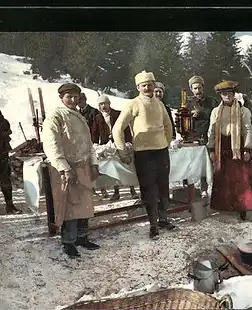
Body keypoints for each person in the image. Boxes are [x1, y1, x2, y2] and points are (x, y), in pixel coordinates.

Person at [112, 71, 175, 240]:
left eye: (150, 84)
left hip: (161, 152)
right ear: (138, 87)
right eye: (144, 85)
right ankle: (153, 224)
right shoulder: (133, 104)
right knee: (149, 190)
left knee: (163, 187)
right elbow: (118, 128)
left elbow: (168, 126)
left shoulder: (160, 104)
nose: (147, 88)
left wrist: (165, 142)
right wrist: (122, 150)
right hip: (143, 154)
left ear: (154, 85)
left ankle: (163, 219)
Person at [42, 83, 101, 258]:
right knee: (69, 207)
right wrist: (64, 168)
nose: (73, 100)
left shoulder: (80, 117)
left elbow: (89, 143)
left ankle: (82, 238)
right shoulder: (55, 116)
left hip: (83, 166)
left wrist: (94, 163)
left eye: (76, 97)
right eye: (69, 97)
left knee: (85, 204)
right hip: (67, 169)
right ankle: (68, 242)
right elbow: (52, 145)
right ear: (62, 98)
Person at [207, 81, 252, 221]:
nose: (227, 96)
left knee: (240, 179)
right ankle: (225, 206)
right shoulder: (216, 112)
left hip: (238, 146)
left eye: (230, 93)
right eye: (224, 94)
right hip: (222, 146)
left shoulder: (243, 111)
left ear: (234, 94)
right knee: (224, 178)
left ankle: (242, 208)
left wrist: (247, 148)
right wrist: (212, 149)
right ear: (220, 96)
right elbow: (212, 132)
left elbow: (248, 130)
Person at [90, 94, 139, 201]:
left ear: (109, 104)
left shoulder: (118, 114)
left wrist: (128, 141)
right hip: (107, 146)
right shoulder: (98, 118)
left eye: (105, 103)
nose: (104, 106)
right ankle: (116, 192)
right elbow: (94, 132)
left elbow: (125, 128)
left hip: (120, 143)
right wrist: (94, 144)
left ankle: (132, 189)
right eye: (101, 104)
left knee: (126, 165)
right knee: (114, 168)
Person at [0, 88, 22, 215]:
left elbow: (6, 127)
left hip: (0, 152)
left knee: (5, 180)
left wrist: (2, 133)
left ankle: (10, 206)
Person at [187, 75, 219, 198]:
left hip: (210, 135)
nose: (197, 91)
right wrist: (191, 116)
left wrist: (202, 112)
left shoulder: (211, 101)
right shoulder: (189, 103)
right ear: (191, 89)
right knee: (197, 163)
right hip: (194, 136)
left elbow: (216, 116)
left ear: (203, 87)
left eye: (199, 88)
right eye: (195, 88)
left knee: (212, 162)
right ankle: (197, 189)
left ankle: (213, 188)